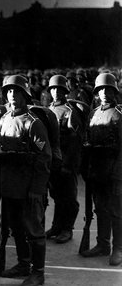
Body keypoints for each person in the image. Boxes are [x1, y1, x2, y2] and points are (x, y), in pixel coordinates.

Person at [0, 75, 51, 286]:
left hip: (28, 186)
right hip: (9, 184)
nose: (12, 96)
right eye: (9, 92)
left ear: (25, 96)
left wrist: (37, 189)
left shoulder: (33, 123)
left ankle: (38, 272)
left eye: (16, 92)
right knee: (16, 228)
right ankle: (23, 263)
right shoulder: (4, 119)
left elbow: (44, 157)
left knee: (34, 230)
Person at [81, 73, 122, 266]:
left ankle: (118, 249)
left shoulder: (119, 115)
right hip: (97, 169)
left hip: (114, 171)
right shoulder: (94, 112)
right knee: (101, 209)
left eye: (108, 89)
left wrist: (118, 175)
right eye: (101, 90)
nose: (104, 93)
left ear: (114, 91)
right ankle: (103, 244)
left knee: (116, 211)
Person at [46, 75, 83, 244]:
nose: (56, 92)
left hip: (67, 161)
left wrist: (69, 165)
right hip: (53, 161)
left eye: (59, 89)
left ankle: (67, 229)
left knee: (68, 197)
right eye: (53, 89)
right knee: (56, 195)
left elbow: (75, 142)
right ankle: (56, 226)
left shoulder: (70, 111)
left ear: (65, 91)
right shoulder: (48, 110)